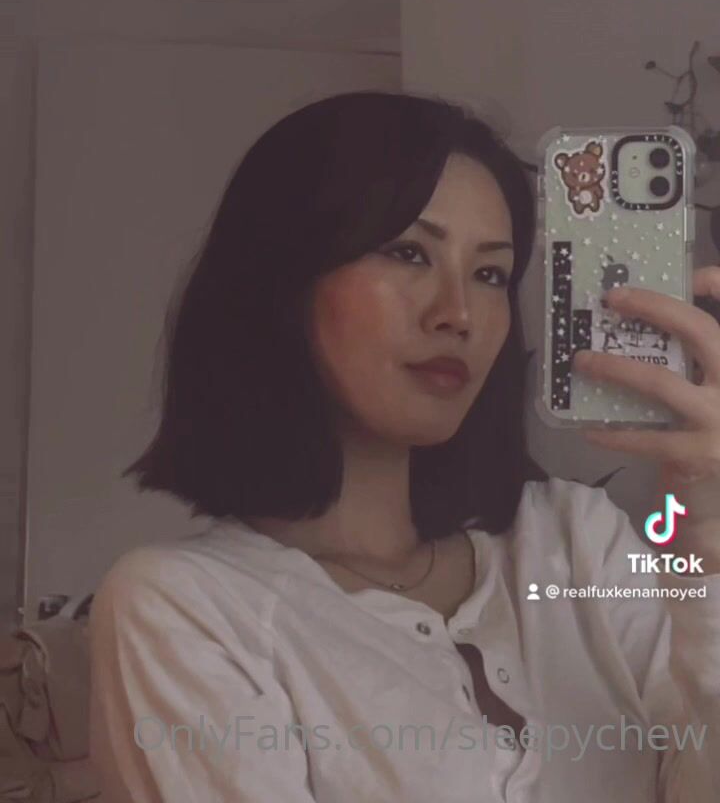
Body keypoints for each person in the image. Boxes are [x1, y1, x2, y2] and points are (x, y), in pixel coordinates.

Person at [88, 90, 720, 802]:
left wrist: (709, 552)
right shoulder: (182, 608)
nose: (459, 313)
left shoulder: (576, 540)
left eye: (490, 274)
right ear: (285, 278)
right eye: (409, 252)